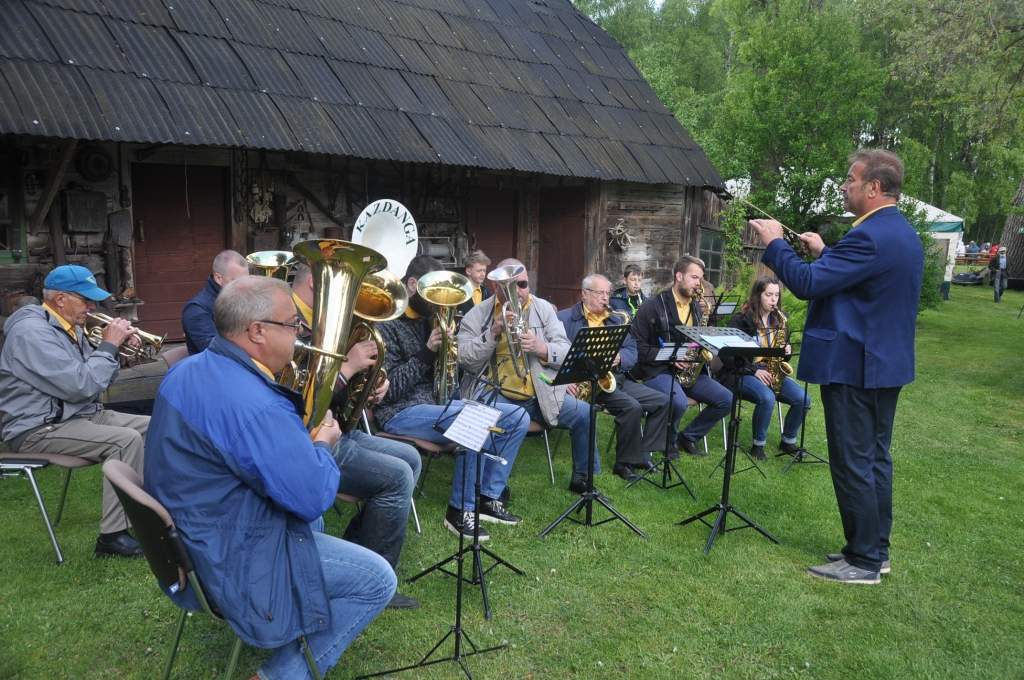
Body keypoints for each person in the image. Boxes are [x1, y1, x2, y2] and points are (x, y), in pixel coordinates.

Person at [145, 275, 395, 678]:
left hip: (194, 539)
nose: (300, 334)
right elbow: (313, 496)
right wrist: (324, 444)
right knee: (377, 579)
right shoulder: (255, 405)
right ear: (257, 331)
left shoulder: (187, 371)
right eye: (293, 324)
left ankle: (293, 621)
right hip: (229, 555)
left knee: (307, 521)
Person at [749, 148, 923, 585]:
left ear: (874, 188)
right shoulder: (897, 232)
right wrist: (826, 250)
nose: (844, 185)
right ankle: (873, 550)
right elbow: (857, 283)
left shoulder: (869, 236)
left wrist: (774, 243)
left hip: (856, 366)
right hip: (884, 364)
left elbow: (807, 284)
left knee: (853, 461)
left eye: (850, 178)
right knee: (876, 459)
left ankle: (863, 560)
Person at [291, 264, 421, 609]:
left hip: (337, 430)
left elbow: (336, 396)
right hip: (309, 440)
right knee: (398, 476)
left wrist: (374, 385)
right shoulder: (291, 326)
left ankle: (361, 548)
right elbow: (303, 402)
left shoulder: (321, 324)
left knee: (412, 457)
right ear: (313, 284)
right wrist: (347, 368)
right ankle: (378, 578)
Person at [376, 256, 530, 540]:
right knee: (475, 418)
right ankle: (460, 510)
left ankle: (487, 496)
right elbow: (389, 389)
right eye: (433, 294)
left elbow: (452, 374)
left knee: (518, 416)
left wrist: (451, 350)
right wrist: (427, 352)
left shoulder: (432, 318)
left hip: (440, 404)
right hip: (399, 412)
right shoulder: (387, 324)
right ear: (412, 285)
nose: (440, 303)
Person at [0, 264, 147, 558]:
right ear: (60, 299)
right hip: (37, 428)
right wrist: (108, 346)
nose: (92, 307)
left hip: (76, 415)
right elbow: (80, 385)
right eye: (85, 299)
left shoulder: (69, 327)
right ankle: (112, 538)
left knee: (157, 425)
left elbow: (96, 382)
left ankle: (156, 511)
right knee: (125, 440)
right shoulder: (31, 333)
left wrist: (115, 351)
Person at [459, 258, 595, 493]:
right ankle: (492, 488)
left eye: (522, 285)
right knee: (506, 419)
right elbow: (464, 358)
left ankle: (583, 478)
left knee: (585, 413)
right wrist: (493, 332)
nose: (519, 292)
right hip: (496, 392)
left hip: (539, 393)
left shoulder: (542, 310)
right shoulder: (477, 314)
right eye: (510, 286)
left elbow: (566, 351)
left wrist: (541, 348)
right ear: (495, 287)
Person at [557, 274, 670, 481]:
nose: (605, 298)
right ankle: (624, 463)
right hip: (584, 384)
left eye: (608, 293)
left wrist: (620, 358)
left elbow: (631, 349)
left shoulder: (616, 318)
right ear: (584, 294)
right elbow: (553, 354)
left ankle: (643, 454)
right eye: (600, 293)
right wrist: (565, 381)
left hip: (614, 379)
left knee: (662, 401)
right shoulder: (564, 319)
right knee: (631, 407)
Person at [629, 255, 731, 457]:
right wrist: (672, 356)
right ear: (678, 276)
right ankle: (669, 442)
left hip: (689, 372)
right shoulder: (652, 306)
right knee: (679, 402)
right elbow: (637, 347)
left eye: (700, 279)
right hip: (657, 370)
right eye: (694, 277)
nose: (698, 284)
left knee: (726, 399)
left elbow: (696, 340)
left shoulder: (696, 307)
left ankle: (689, 436)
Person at [721, 277, 811, 461]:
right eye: (768, 294)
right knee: (767, 397)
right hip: (742, 371)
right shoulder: (741, 320)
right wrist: (754, 370)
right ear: (757, 296)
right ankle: (758, 445)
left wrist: (786, 350)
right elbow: (728, 355)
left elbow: (781, 353)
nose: (773, 300)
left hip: (771, 370)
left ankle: (788, 440)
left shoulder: (779, 320)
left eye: (776, 295)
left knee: (803, 399)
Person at [181, 249, 248, 354]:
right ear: (218, 278)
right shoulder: (196, 309)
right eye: (237, 281)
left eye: (246, 280)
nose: (244, 286)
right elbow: (215, 352)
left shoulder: (238, 298)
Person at [459, 249, 493, 314]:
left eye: (484, 271)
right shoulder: (459, 292)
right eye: (479, 271)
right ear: (468, 271)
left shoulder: (486, 292)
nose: (483, 274)